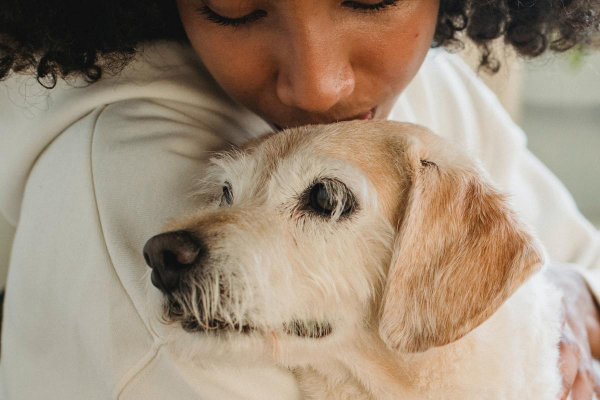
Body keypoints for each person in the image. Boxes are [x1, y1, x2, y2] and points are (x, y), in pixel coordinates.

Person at [1, 0, 599, 398]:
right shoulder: (127, 175)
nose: (318, 86)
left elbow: (579, 258)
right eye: (235, 8)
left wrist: (567, 293)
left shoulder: (440, 85)